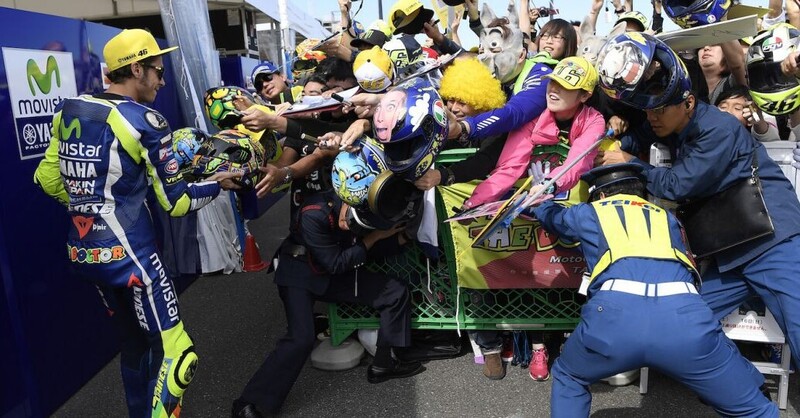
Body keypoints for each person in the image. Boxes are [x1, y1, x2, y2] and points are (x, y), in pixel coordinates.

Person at [32, 29, 240, 418]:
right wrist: (217, 184)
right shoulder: (144, 120)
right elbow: (176, 203)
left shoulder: (69, 109)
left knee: (137, 347)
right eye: (158, 71)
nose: (161, 80)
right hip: (134, 257)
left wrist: (93, 204)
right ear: (137, 69)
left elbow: (46, 180)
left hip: (85, 253)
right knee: (178, 355)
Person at [596, 32, 800, 375]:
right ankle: (741, 380)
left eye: (659, 109)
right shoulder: (674, 125)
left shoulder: (718, 128)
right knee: (680, 322)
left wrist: (630, 160)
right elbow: (641, 134)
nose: (653, 118)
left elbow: (678, 184)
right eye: (648, 111)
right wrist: (616, 133)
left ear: (688, 103)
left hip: (772, 242)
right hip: (731, 252)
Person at [531, 163, 777, 417]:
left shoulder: (593, 211)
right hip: (685, 315)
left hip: (615, 316)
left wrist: (542, 200)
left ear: (601, 195)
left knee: (569, 375)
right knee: (753, 407)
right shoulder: (668, 217)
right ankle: (752, 391)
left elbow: (554, 220)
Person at [231, 190, 421, 418]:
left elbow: (364, 248)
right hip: (299, 273)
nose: (348, 224)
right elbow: (337, 261)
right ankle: (250, 403)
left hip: (331, 274)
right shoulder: (314, 212)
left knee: (395, 291)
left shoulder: (365, 208)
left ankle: (384, 363)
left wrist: (399, 238)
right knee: (301, 338)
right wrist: (373, 238)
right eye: (348, 218)